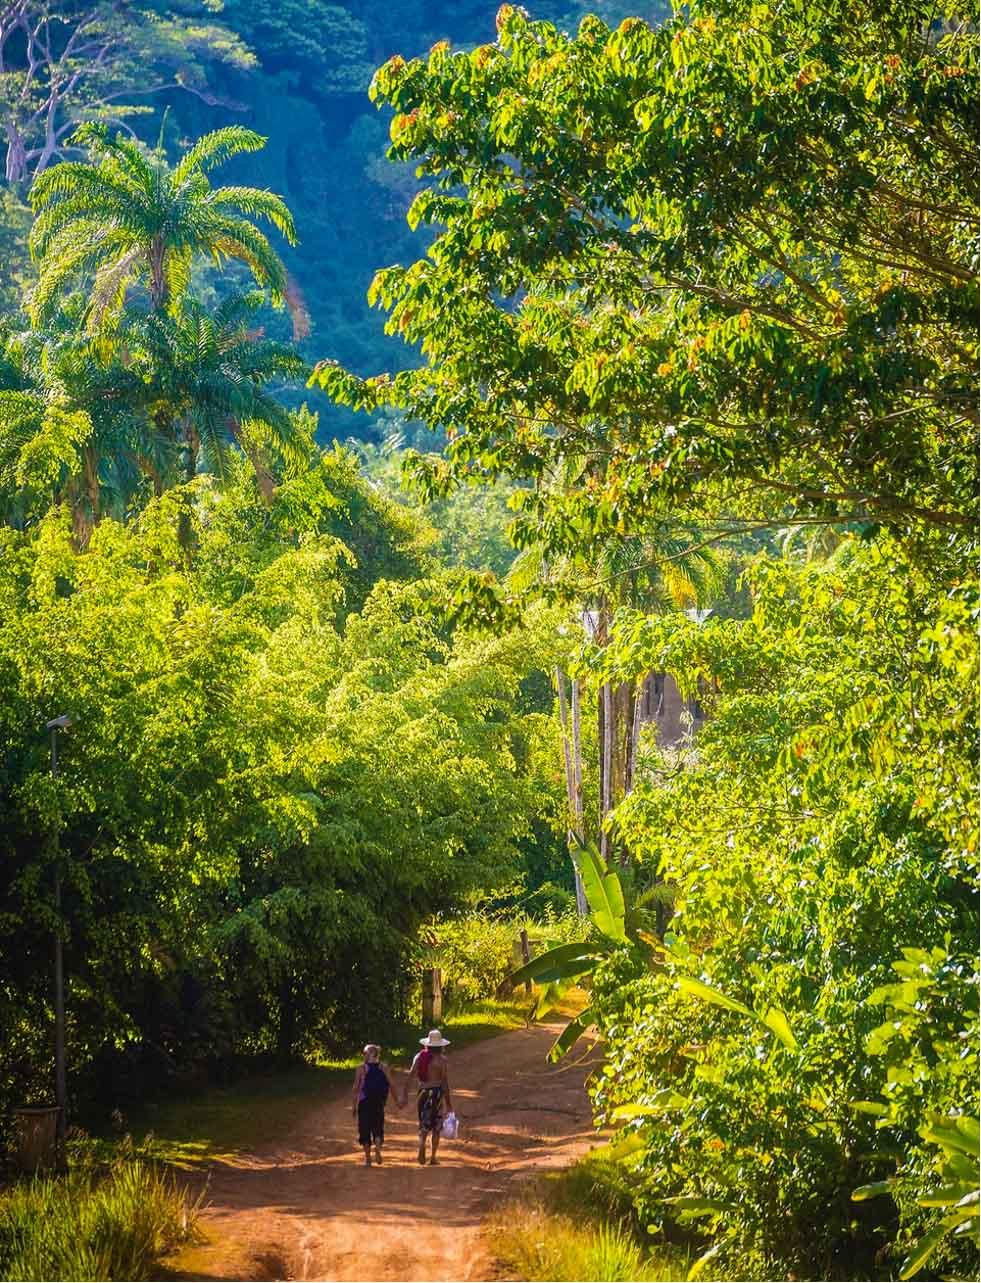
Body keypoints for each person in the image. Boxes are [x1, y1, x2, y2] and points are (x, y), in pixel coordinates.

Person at [403, 1028, 453, 1166]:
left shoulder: (419, 1057)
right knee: (436, 1126)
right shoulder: (442, 1060)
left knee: (424, 1122)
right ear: (441, 1046)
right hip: (436, 1093)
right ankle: (433, 1157)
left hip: (423, 1093)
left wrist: (405, 1094)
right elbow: (444, 1083)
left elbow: (411, 1075)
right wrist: (448, 1103)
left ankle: (421, 1142)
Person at [352, 1043, 395, 1166]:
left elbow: (355, 1088)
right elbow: (392, 1084)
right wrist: (398, 1100)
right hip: (379, 1102)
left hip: (364, 1102)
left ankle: (367, 1159)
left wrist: (354, 1106)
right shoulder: (384, 1067)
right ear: (377, 1055)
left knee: (364, 1128)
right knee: (378, 1125)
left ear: (367, 1054)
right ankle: (377, 1145)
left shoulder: (361, 1068)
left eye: (364, 1053)